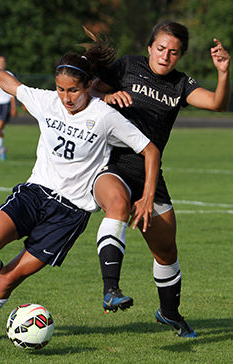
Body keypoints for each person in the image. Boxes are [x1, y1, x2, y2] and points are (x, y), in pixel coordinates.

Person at [0, 36, 160, 343]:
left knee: (12, 276)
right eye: (61, 89)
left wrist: (147, 195)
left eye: (74, 90)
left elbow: (149, 149)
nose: (66, 97)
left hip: (69, 214)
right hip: (34, 194)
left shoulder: (105, 116)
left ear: (89, 85)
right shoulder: (47, 101)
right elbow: (11, 85)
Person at [89, 21, 230, 337]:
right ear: (150, 46)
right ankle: (110, 290)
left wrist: (222, 72)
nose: (166, 56)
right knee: (118, 205)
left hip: (151, 174)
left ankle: (169, 313)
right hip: (112, 165)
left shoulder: (181, 84)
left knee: (166, 252)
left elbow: (218, 104)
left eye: (174, 52)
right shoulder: (127, 65)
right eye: (161, 48)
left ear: (179, 56)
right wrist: (106, 97)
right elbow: (90, 88)